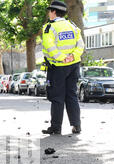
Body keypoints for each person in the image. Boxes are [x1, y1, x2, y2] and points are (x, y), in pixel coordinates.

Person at [41, 1, 84, 135]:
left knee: (57, 97)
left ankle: (56, 127)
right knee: (71, 96)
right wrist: (72, 56)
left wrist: (61, 57)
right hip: (73, 66)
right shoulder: (72, 25)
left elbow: (50, 46)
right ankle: (76, 125)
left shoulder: (49, 27)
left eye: (49, 11)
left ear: (54, 12)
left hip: (57, 67)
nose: (49, 14)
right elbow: (80, 44)